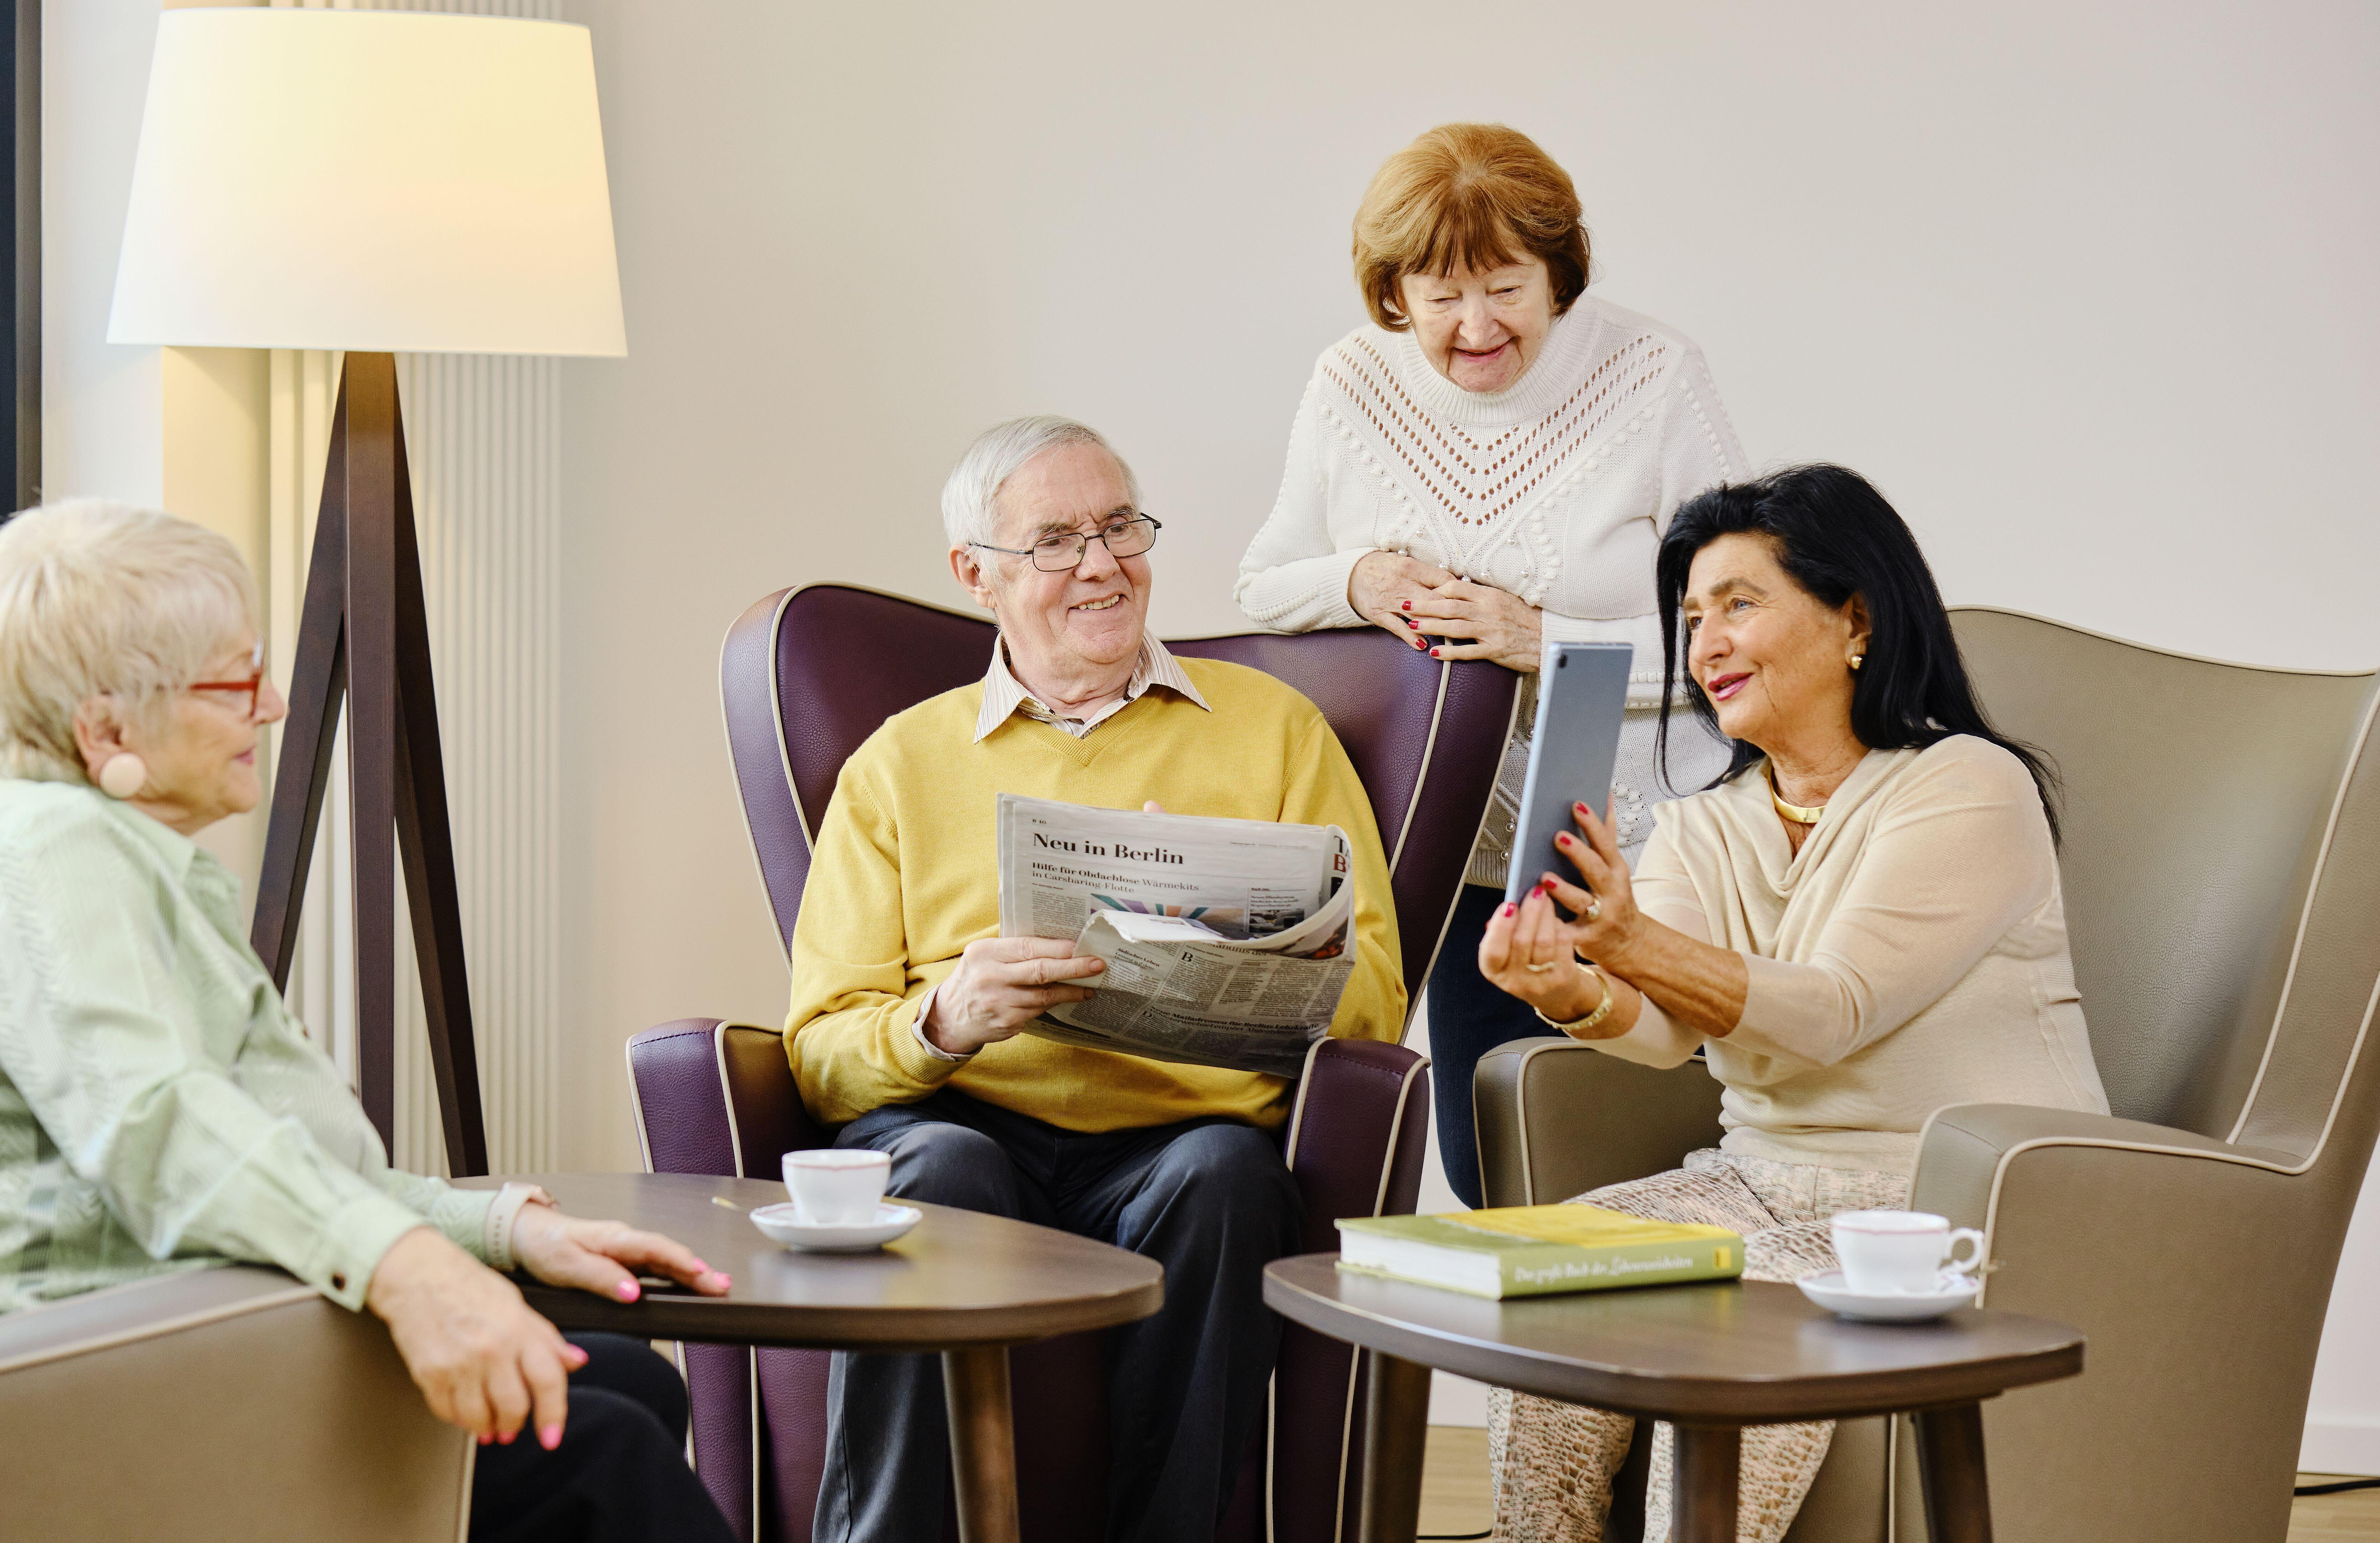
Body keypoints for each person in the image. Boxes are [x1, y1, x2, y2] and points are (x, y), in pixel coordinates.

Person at [0, 500, 739, 1543]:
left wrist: (508, 1228)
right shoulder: (46, 860)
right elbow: (164, 1129)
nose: (274, 705)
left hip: (155, 1334)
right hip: (39, 1391)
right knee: (599, 1452)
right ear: (106, 730)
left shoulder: (117, 859)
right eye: (236, 682)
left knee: (626, 1383)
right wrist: (411, 1268)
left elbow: (277, 1160)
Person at [785, 416, 1408, 1543]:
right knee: (932, 1163)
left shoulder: (1275, 731)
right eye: (1058, 540)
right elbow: (822, 1049)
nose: (1104, 564)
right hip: (967, 1125)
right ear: (977, 574)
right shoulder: (898, 762)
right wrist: (945, 1019)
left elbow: (1377, 1002)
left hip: (1182, 1144)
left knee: (1225, 1175)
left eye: (1122, 526)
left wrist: (1237, 942)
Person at [1473, 465, 2111, 1542]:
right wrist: (1572, 986)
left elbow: (1831, 1010)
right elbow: (1668, 1021)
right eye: (1690, 617)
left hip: (1949, 1201)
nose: (1706, 642)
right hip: (1758, 1185)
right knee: (1542, 1280)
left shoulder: (1966, 785)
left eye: (1739, 603)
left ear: (1854, 616)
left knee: (1731, 1319)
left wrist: (1627, 937)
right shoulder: (1707, 823)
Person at [1233, 122, 1751, 1207]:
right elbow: (1262, 585)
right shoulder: (1351, 383)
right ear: (1392, 294)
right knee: (1496, 1179)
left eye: (1507, 288)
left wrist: (1542, 640)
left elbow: (1746, 635)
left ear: (1557, 274)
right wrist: (1362, 577)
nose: (1478, 327)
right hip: (1468, 859)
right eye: (1441, 297)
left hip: (1648, 865)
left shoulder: (1654, 376)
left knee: (1654, 1185)